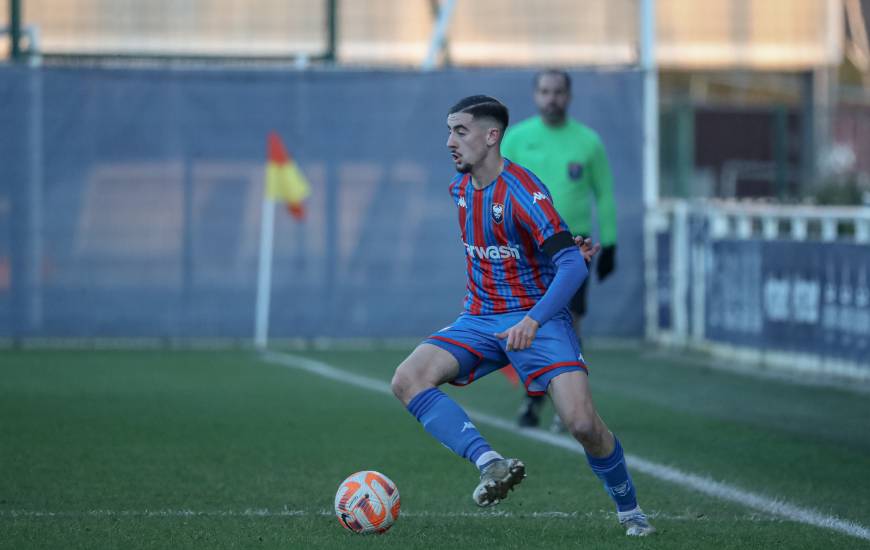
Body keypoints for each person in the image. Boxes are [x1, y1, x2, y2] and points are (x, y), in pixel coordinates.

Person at [390, 95, 654, 537]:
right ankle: (489, 462)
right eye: (449, 131)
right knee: (407, 379)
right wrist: (559, 250)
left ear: (491, 136)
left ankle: (631, 512)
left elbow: (571, 265)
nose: (449, 142)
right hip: (479, 317)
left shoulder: (523, 192)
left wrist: (533, 318)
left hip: (537, 319)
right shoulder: (459, 189)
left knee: (583, 424)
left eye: (460, 131)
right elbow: (531, 251)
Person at [501, 69, 618, 431]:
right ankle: (532, 398)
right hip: (525, 248)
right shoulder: (517, 139)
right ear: (535, 95)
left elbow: (605, 194)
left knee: (569, 323)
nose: (552, 98)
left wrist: (610, 243)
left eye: (558, 92)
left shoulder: (588, 142)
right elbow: (498, 189)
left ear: (569, 96)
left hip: (572, 249)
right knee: (526, 322)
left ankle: (566, 406)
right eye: (545, 91)